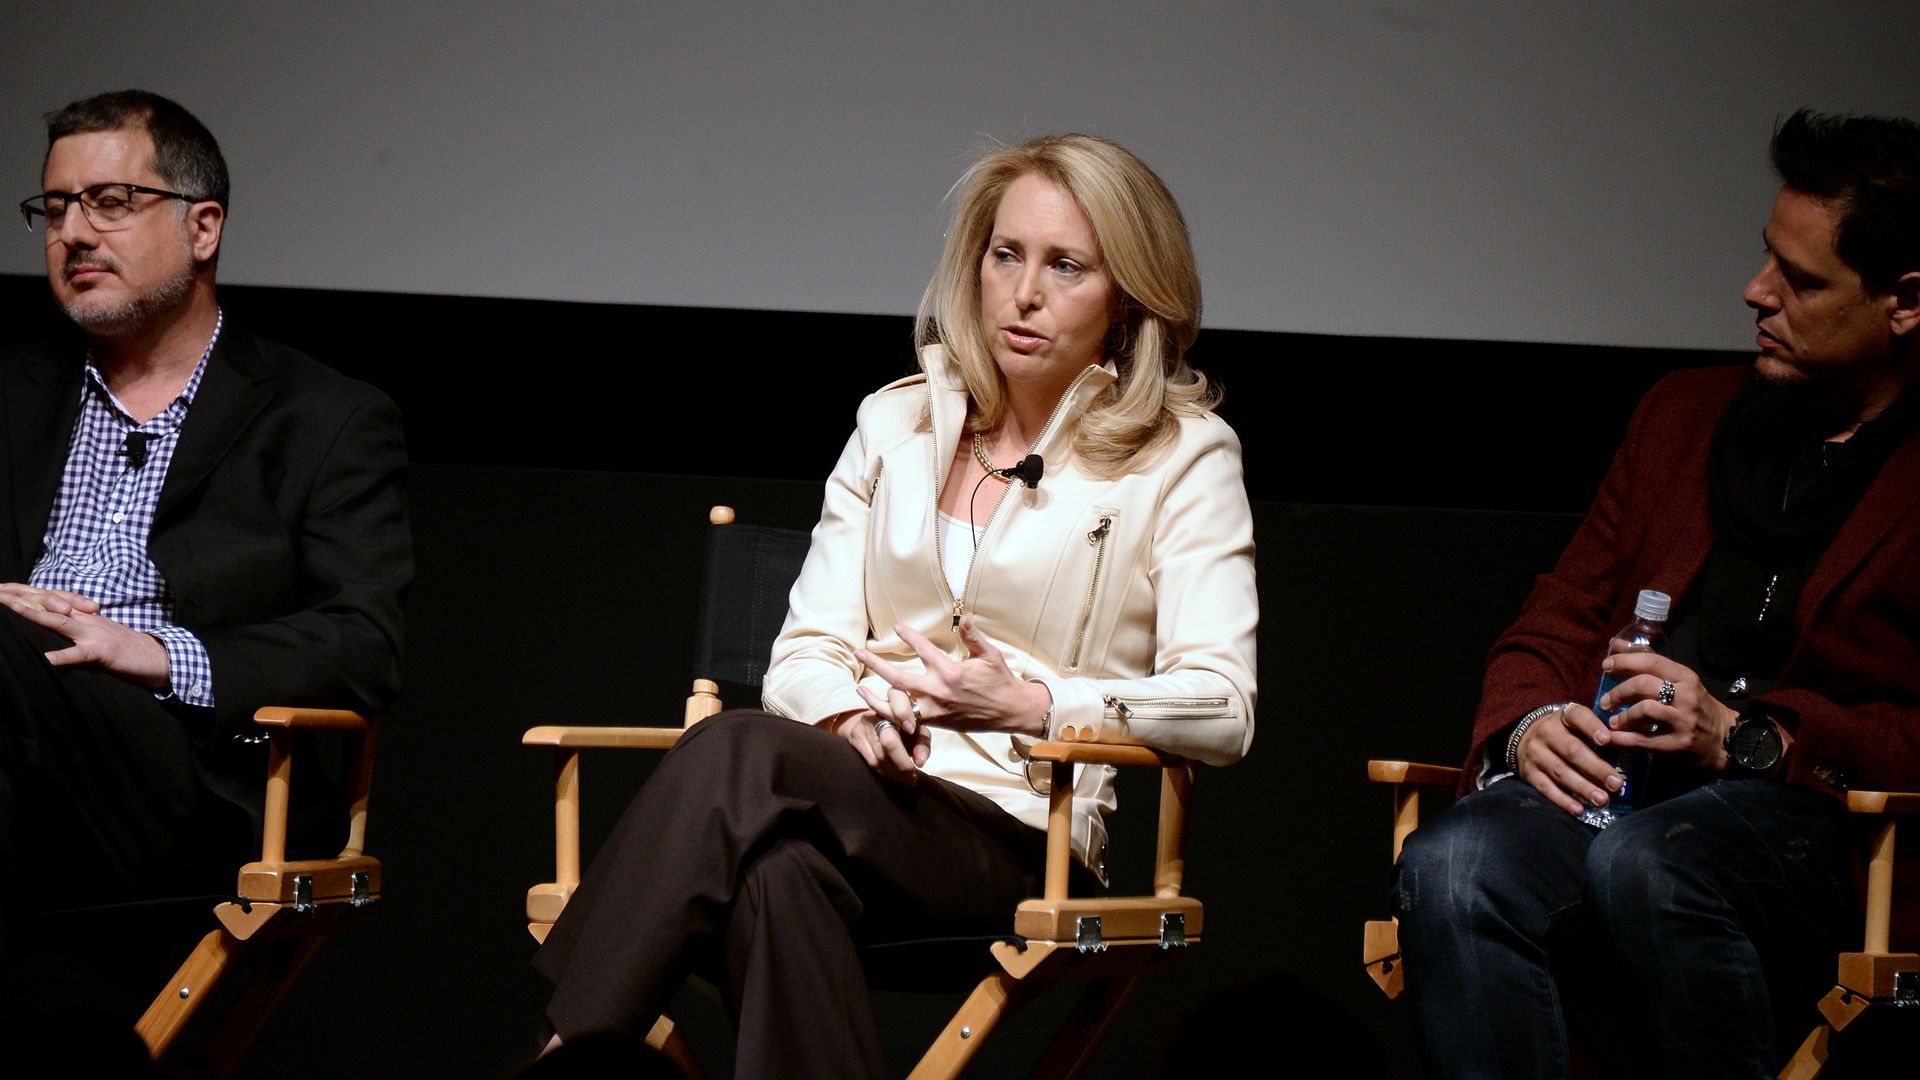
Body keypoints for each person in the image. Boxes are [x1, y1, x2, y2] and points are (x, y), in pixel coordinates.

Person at [534, 134, 1257, 1077]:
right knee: (776, 880)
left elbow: (1224, 705)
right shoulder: (895, 422)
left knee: (735, 746)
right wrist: (845, 716)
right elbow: (805, 650)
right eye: (1007, 255)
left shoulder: (1183, 456)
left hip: (1021, 836)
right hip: (858, 801)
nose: (1025, 293)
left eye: (1066, 266)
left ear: (1126, 300)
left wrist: (1036, 708)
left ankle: (563, 1053)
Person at [1391, 109, 1920, 1078]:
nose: (1755, 292)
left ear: (1905, 302)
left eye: (1800, 281)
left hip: (1825, 839)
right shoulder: (1683, 415)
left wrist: (1752, 736)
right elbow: (1556, 616)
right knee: (1452, 862)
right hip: (1627, 802)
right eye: (1767, 258)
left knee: (1654, 863)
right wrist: (1530, 723)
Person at [0, 90, 411, 1004]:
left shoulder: (324, 418)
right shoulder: (15, 393)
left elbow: (365, 643)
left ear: (203, 227)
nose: (73, 232)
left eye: (109, 201)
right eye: (54, 206)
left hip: (192, 781)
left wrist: (155, 655)